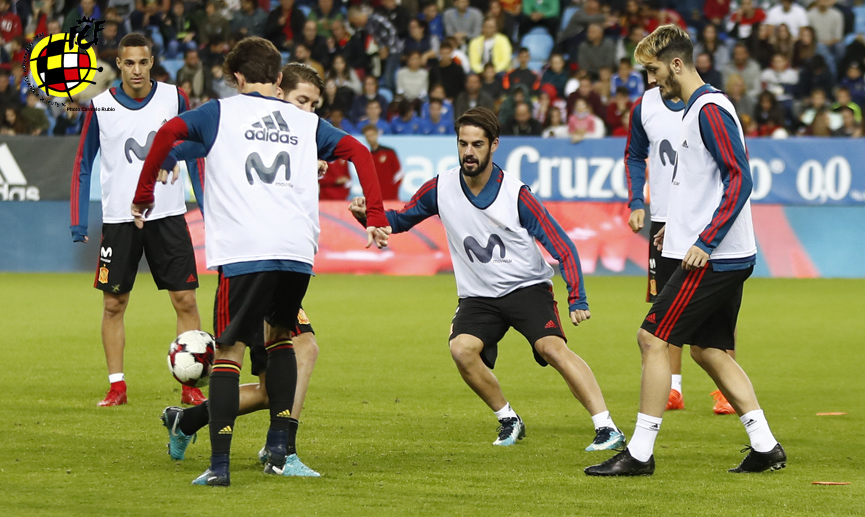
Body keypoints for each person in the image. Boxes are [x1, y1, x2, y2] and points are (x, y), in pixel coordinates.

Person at [131, 37, 391, 487]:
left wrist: (143, 195)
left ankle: (220, 466)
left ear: (236, 77)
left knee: (229, 353)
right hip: (295, 253)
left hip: (245, 250)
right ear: (277, 79)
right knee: (282, 342)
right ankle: (277, 447)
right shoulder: (305, 123)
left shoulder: (220, 112)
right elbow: (361, 153)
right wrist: (377, 216)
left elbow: (170, 134)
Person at [349, 107, 625, 452]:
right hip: (479, 296)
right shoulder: (441, 187)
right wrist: (368, 217)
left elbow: (561, 245)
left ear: (494, 145)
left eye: (477, 144)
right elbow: (401, 220)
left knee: (552, 348)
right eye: (463, 143)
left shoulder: (516, 194)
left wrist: (577, 297)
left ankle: (607, 427)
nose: (468, 152)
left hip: (527, 288)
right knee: (461, 349)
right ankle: (509, 418)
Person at [586, 25, 785, 477]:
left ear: (676, 64)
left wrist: (705, 240)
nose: (652, 80)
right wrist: (672, 230)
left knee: (652, 338)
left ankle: (638, 453)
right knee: (708, 350)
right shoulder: (694, 109)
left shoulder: (710, 110)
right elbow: (696, 183)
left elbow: (740, 179)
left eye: (654, 70)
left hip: (714, 256)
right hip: (708, 248)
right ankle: (765, 444)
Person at [159, 63, 339, 478]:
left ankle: (188, 421)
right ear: (278, 94)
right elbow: (195, 145)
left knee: (271, 380)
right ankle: (280, 450)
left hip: (281, 259)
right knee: (296, 352)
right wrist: (168, 154)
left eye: (314, 105)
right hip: (250, 258)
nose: (308, 112)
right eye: (302, 101)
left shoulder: (299, 133)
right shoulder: (243, 126)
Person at [69, 33, 205, 408]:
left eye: (143, 62)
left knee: (185, 300)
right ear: (119, 66)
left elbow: (194, 155)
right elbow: (83, 163)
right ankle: (117, 386)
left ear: (151, 61)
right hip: (119, 220)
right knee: (114, 304)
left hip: (168, 216)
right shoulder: (99, 106)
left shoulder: (175, 98)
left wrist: (208, 208)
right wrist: (79, 222)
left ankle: (189, 384)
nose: (136, 70)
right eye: (129, 63)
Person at [362, 124, 402, 200]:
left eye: (372, 135)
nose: (370, 138)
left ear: (377, 135)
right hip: (375, 198)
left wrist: (393, 190)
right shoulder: (367, 156)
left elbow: (399, 173)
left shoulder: (389, 152)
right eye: (367, 136)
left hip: (391, 196)